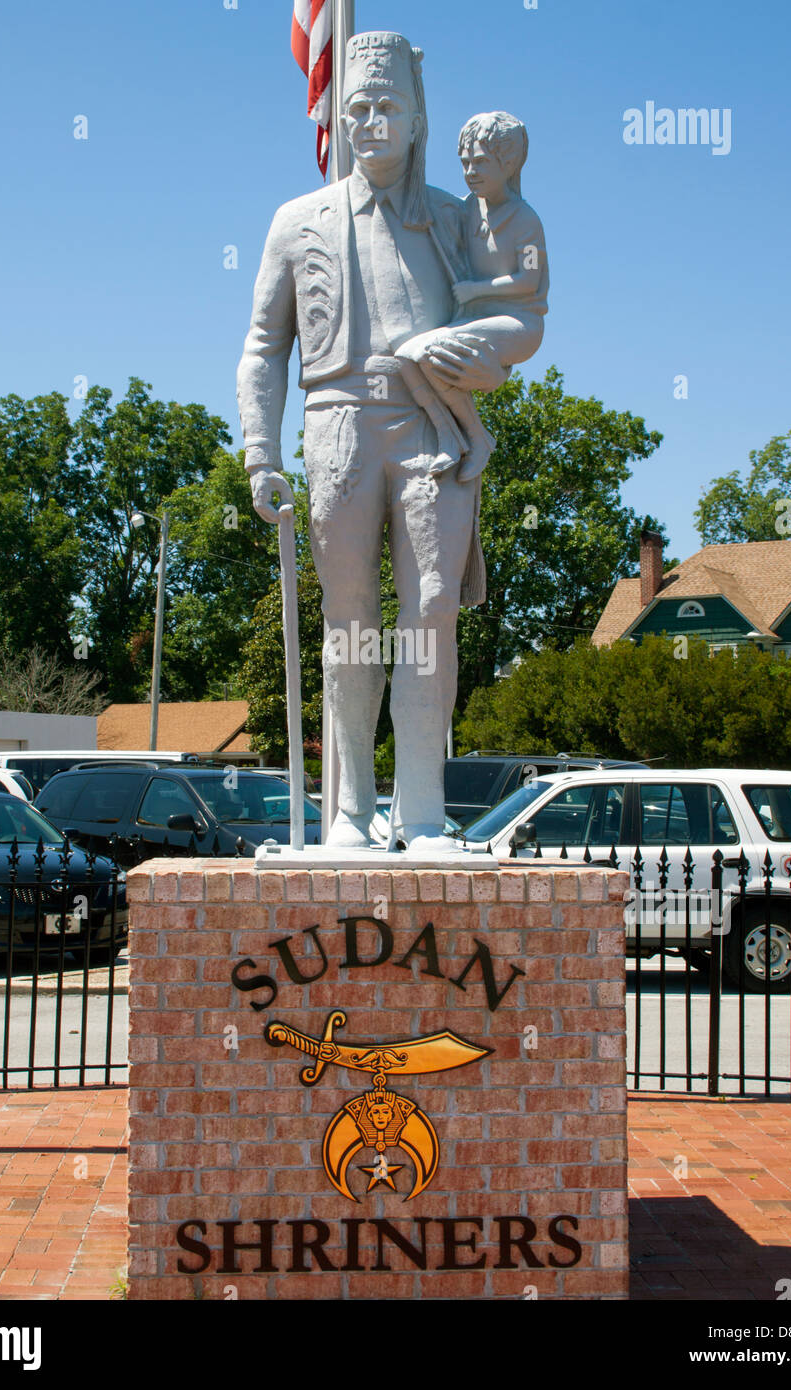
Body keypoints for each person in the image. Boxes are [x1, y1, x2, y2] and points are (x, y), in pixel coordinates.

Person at [237, 32, 510, 852]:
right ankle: (349, 812)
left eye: (387, 105)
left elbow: (516, 318)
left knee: (430, 618)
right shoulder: (297, 220)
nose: (369, 121)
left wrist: (475, 351)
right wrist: (261, 452)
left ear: (419, 114)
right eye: (356, 107)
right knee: (349, 622)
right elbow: (261, 345)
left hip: (433, 424)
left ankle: (422, 810)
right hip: (337, 428)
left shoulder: (463, 223)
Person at [394, 111, 549, 481]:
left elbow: (529, 280)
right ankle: (455, 434)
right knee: (407, 356)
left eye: (480, 162)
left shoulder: (525, 219)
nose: (470, 171)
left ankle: (476, 437)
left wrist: (476, 289)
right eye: (465, 163)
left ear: (508, 163)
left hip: (519, 322)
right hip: (475, 318)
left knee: (436, 351)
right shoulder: (467, 209)